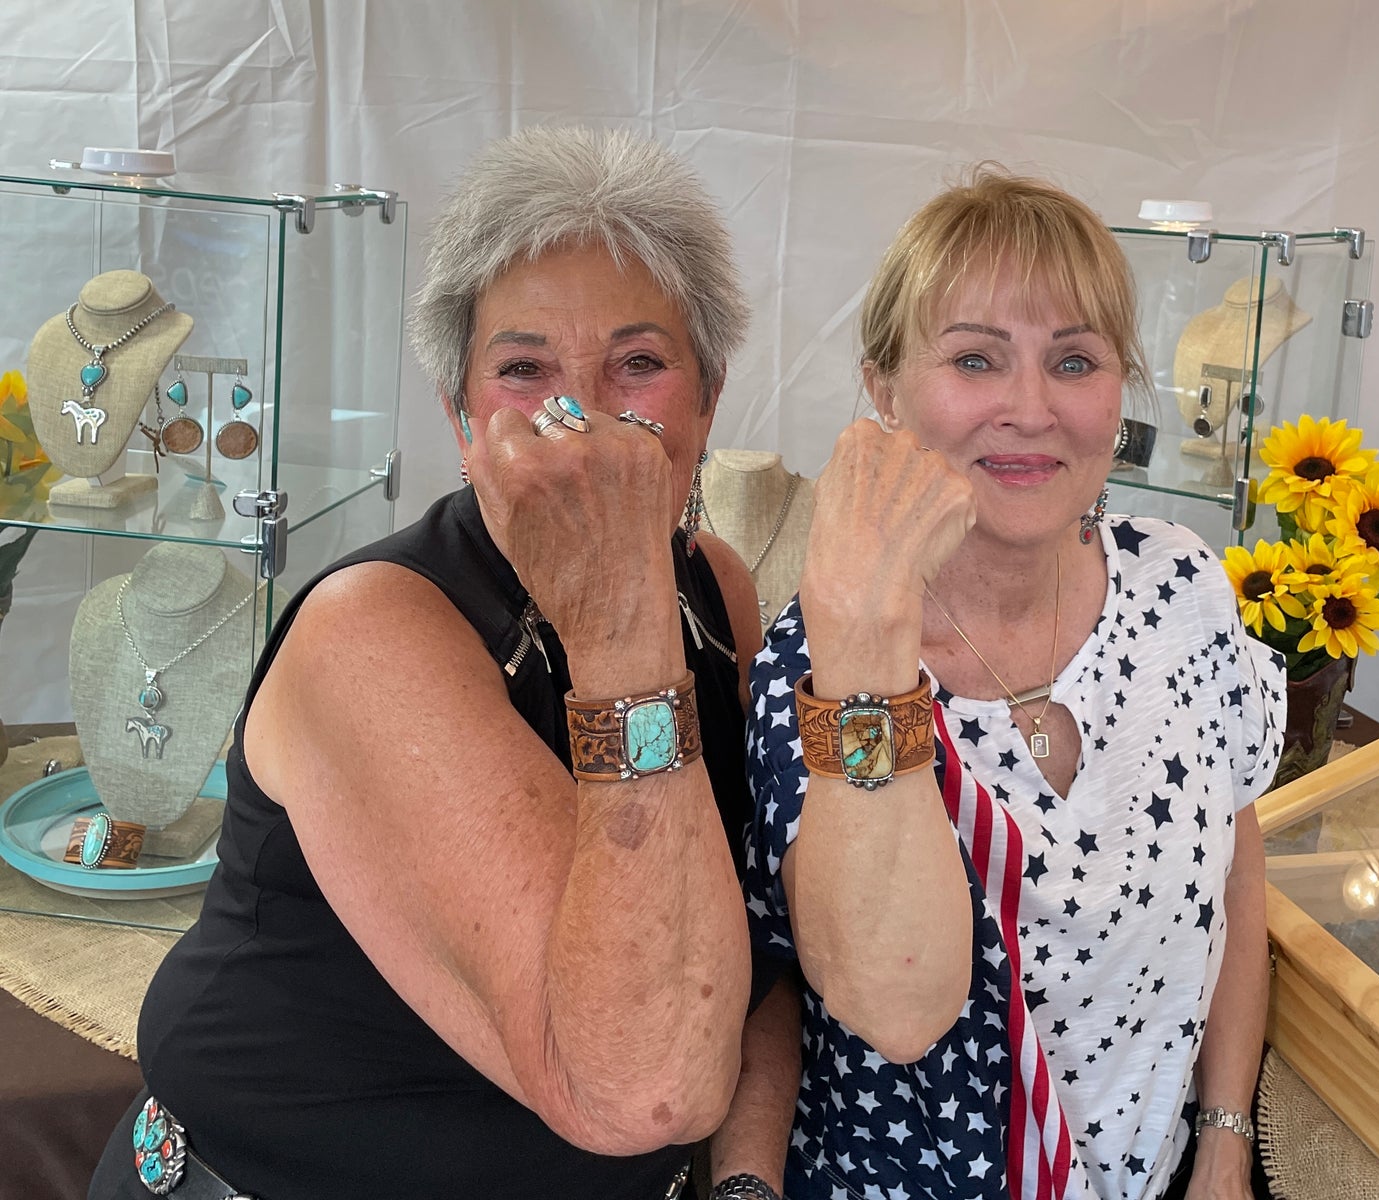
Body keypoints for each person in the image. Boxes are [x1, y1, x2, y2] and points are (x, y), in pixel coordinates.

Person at [92, 128, 798, 1200]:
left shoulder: (715, 590)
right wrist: (615, 624)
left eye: (639, 364)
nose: (581, 414)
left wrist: (745, 1186)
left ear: (706, 401)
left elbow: (745, 954)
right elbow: (641, 1087)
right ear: (461, 421)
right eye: (524, 370)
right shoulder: (371, 631)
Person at [744, 168, 1285, 1200]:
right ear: (884, 388)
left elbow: (1235, 865)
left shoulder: (1180, 585)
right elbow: (891, 1002)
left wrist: (1222, 1137)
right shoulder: (819, 669)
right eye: (975, 359)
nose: (1030, 408)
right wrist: (869, 648)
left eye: (1072, 360)